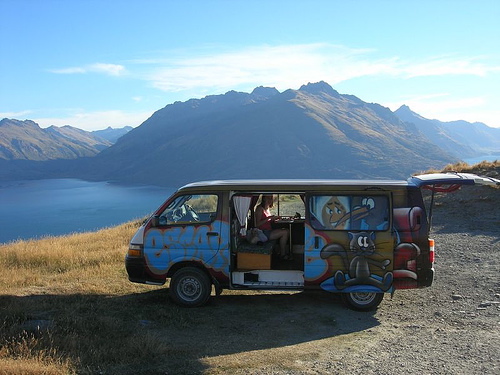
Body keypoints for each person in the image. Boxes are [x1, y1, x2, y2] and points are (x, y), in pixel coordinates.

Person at [254, 195, 291, 259]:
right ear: (264, 198)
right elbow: (257, 224)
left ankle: (281, 252)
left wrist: (274, 219)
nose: (270, 200)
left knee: (287, 230)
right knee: (284, 232)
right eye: (268, 198)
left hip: (268, 230)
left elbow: (267, 220)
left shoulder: (267, 208)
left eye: (271, 198)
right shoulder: (259, 208)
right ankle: (282, 254)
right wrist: (269, 218)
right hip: (263, 232)